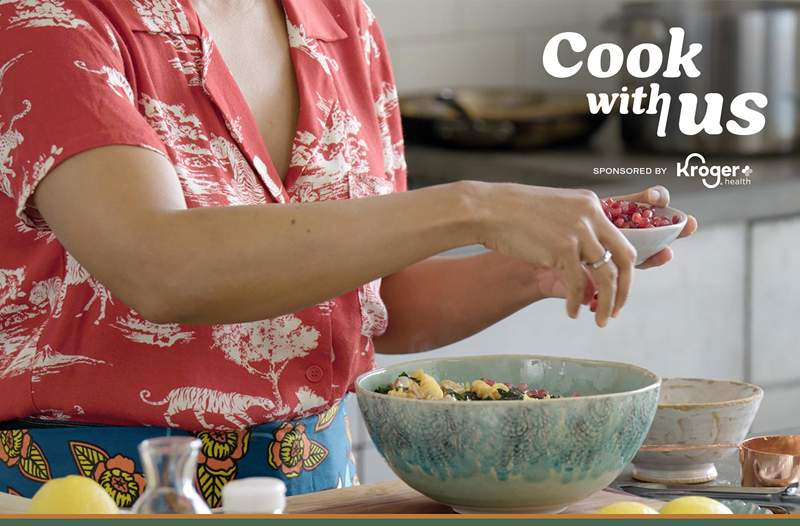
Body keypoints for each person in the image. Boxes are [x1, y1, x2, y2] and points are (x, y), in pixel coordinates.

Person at [0, 0, 696, 507]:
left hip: (320, 490)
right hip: (89, 495)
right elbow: (159, 266)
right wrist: (475, 206)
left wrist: (540, 261)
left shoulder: (338, 22)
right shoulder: (50, 21)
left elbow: (375, 305)